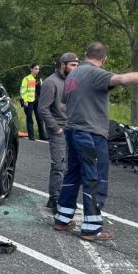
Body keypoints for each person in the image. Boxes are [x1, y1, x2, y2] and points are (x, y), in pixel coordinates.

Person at [53, 42, 138, 241]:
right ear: (104, 59)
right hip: (91, 134)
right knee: (95, 178)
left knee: (72, 174)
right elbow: (122, 79)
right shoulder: (96, 73)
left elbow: (64, 104)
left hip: (72, 130)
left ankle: (62, 218)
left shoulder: (72, 75)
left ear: (85, 54)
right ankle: (91, 228)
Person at [38, 52, 80, 213]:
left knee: (71, 166)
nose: (76, 68)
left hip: (73, 128)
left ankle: (66, 199)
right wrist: (56, 128)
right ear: (63, 65)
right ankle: (54, 199)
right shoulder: (51, 82)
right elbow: (43, 109)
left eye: (77, 65)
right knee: (59, 166)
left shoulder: (74, 81)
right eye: (73, 65)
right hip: (58, 130)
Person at [20, 63, 43, 141]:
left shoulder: (39, 79)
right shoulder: (26, 79)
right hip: (29, 102)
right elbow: (23, 91)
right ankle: (31, 136)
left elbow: (41, 90)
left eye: (38, 69)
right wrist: (25, 100)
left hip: (37, 101)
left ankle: (42, 135)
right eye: (36, 69)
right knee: (30, 119)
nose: (37, 70)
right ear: (31, 69)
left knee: (40, 118)